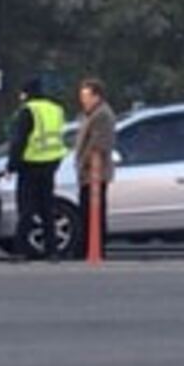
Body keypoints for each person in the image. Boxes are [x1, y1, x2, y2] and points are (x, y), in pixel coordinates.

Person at [5, 78, 69, 262]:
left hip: (30, 165)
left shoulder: (28, 110)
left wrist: (11, 166)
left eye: (22, 93)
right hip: (50, 164)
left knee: (26, 209)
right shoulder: (56, 109)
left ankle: (20, 250)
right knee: (47, 208)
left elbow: (19, 141)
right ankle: (52, 251)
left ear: (27, 93)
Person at [73, 78, 117, 254]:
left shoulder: (102, 115)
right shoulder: (90, 114)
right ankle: (88, 246)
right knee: (86, 211)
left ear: (97, 96)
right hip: (87, 172)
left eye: (86, 95)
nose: (83, 99)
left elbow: (98, 143)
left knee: (94, 212)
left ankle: (95, 247)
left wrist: (84, 163)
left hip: (95, 172)